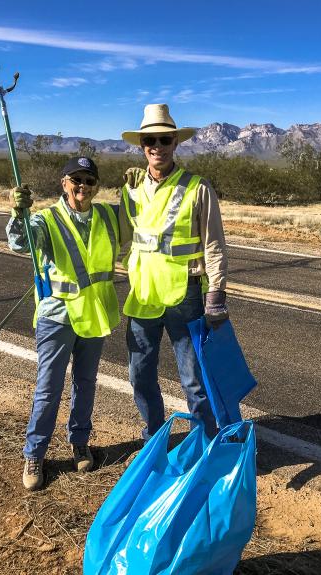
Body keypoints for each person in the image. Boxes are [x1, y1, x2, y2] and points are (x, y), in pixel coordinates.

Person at [7, 156, 121, 490]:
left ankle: (80, 442)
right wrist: (19, 213)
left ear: (95, 186)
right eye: (76, 180)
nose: (82, 186)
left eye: (89, 180)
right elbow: (19, 243)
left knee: (86, 383)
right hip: (57, 317)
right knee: (48, 389)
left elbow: (140, 218)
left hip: (94, 314)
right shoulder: (45, 218)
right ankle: (35, 454)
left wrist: (135, 187)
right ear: (64, 183)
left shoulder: (106, 215)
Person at [119, 103, 229, 442]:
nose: (157, 146)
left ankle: (205, 442)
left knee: (194, 381)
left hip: (186, 295)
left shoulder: (198, 188)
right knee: (139, 374)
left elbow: (214, 244)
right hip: (143, 296)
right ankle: (154, 437)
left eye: (164, 140)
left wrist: (216, 296)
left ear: (175, 144)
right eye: (150, 140)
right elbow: (122, 239)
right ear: (142, 146)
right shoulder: (130, 191)